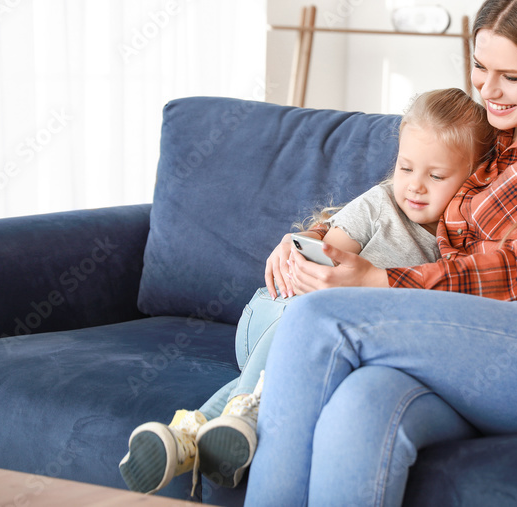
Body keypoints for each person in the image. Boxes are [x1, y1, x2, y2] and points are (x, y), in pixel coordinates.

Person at [245, 0, 517, 507]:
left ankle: (227, 421)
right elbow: (403, 198)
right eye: (480, 67)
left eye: (510, 76)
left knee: (316, 319)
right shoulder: (490, 139)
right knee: (363, 404)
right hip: (471, 349)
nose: (487, 90)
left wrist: (378, 281)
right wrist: (313, 238)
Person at [118, 88, 497, 496]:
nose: (415, 187)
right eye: (405, 168)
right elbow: (317, 266)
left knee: (324, 350)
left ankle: (186, 437)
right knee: (311, 320)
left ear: (475, 178)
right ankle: (245, 412)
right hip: (278, 310)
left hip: (329, 346)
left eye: (436, 176)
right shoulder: (380, 205)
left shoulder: (461, 252)